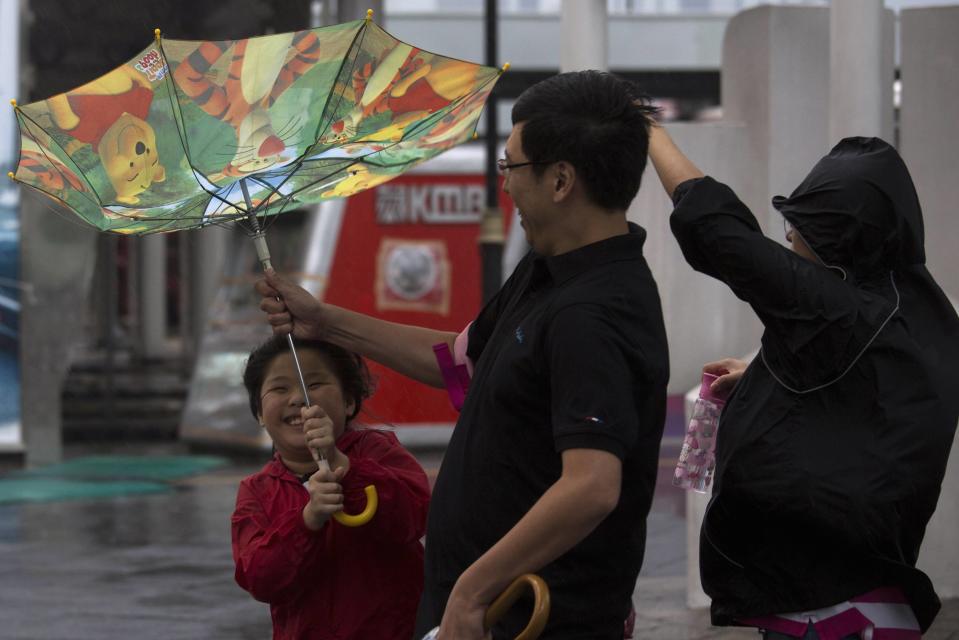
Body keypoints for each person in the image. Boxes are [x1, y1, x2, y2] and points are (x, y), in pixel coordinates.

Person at [255, 70, 670, 639]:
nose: (505, 185)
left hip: (529, 620)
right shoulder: (546, 269)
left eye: (512, 167)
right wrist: (323, 320)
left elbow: (592, 485)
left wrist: (473, 591)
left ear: (561, 180)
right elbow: (456, 361)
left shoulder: (592, 312)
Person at [647, 127, 959, 639]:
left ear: (841, 244)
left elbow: (723, 236)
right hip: (862, 602)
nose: (788, 237)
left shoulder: (846, 317)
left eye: (802, 228)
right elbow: (864, 392)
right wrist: (762, 373)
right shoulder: (910, 311)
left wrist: (648, 132)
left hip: (830, 612)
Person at [232, 335, 430, 640]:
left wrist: (342, 465)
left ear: (349, 402)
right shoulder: (256, 491)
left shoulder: (377, 451)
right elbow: (260, 579)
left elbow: (417, 516)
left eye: (314, 385)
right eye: (279, 388)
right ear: (259, 413)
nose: (299, 399)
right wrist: (307, 521)